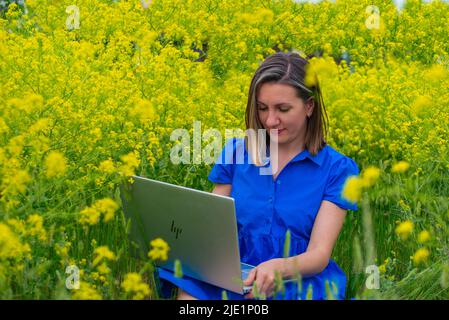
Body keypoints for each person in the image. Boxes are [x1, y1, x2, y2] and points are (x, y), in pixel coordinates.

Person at [156, 52, 359, 300]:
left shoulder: (338, 169)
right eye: (263, 108)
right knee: (188, 292)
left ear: (309, 106)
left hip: (296, 279)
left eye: (283, 109)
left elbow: (319, 253)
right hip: (233, 275)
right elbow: (210, 228)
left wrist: (277, 269)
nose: (270, 120)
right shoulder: (235, 153)